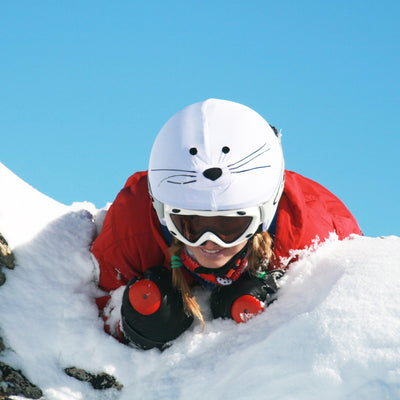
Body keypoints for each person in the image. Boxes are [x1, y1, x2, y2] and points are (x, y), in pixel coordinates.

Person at [91, 99, 362, 350]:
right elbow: (92, 307)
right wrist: (131, 326)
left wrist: (289, 296)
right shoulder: (132, 228)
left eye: (231, 226)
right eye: (190, 225)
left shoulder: (316, 229)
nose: (211, 242)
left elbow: (344, 312)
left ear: (264, 215)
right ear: (163, 213)